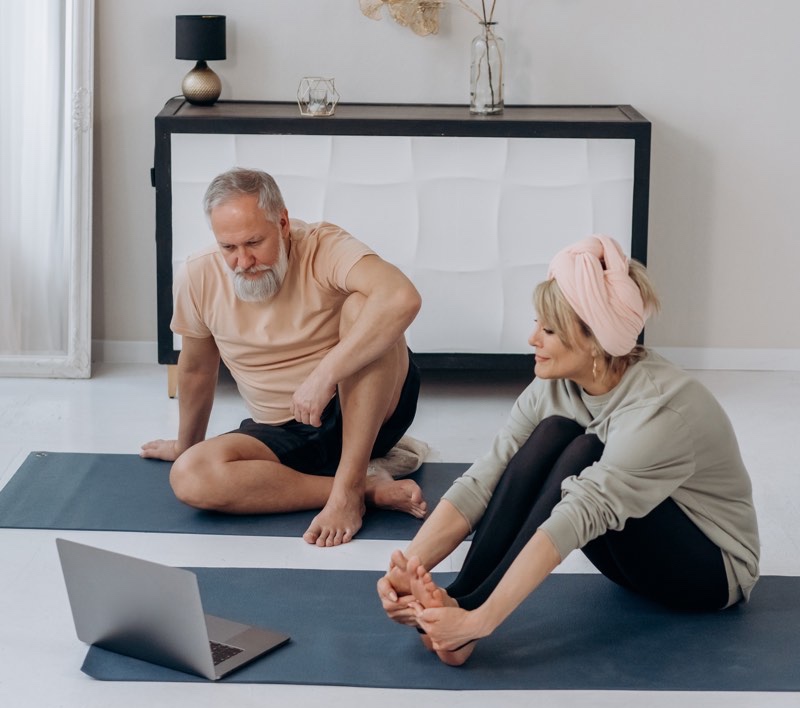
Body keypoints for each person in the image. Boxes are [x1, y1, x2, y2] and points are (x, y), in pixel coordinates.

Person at [377, 235, 760, 666]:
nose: (531, 338)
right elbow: (488, 474)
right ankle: (456, 598)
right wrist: (407, 569)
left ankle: (466, 618)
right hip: (627, 550)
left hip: (708, 573)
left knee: (586, 452)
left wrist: (483, 621)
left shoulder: (660, 408)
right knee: (556, 432)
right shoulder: (553, 386)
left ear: (594, 341)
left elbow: (579, 515)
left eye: (549, 329)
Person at [141, 167, 426, 547]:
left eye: (254, 242)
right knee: (189, 475)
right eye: (228, 247)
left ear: (283, 222)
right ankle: (364, 489)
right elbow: (195, 370)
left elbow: (401, 297)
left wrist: (326, 375)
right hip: (281, 429)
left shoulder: (323, 245)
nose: (242, 261)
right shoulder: (198, 275)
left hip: (365, 408)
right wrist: (185, 446)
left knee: (366, 305)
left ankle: (348, 489)